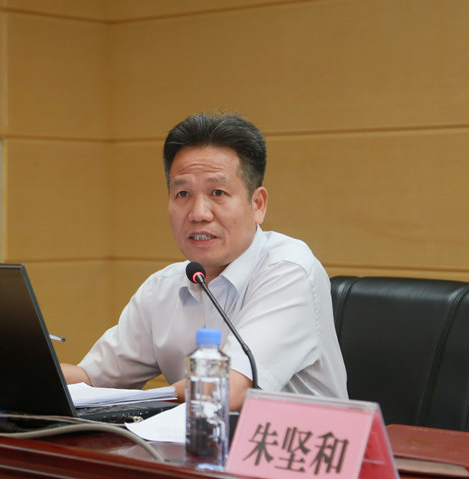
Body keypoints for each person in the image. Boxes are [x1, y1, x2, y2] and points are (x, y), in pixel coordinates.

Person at [62, 112, 347, 410]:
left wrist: (137, 402)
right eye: (183, 193)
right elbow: (91, 379)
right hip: (201, 439)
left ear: (257, 204)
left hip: (298, 440)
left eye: (217, 193)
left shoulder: (290, 270)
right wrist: (32, 369)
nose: (198, 213)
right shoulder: (163, 288)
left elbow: (226, 390)